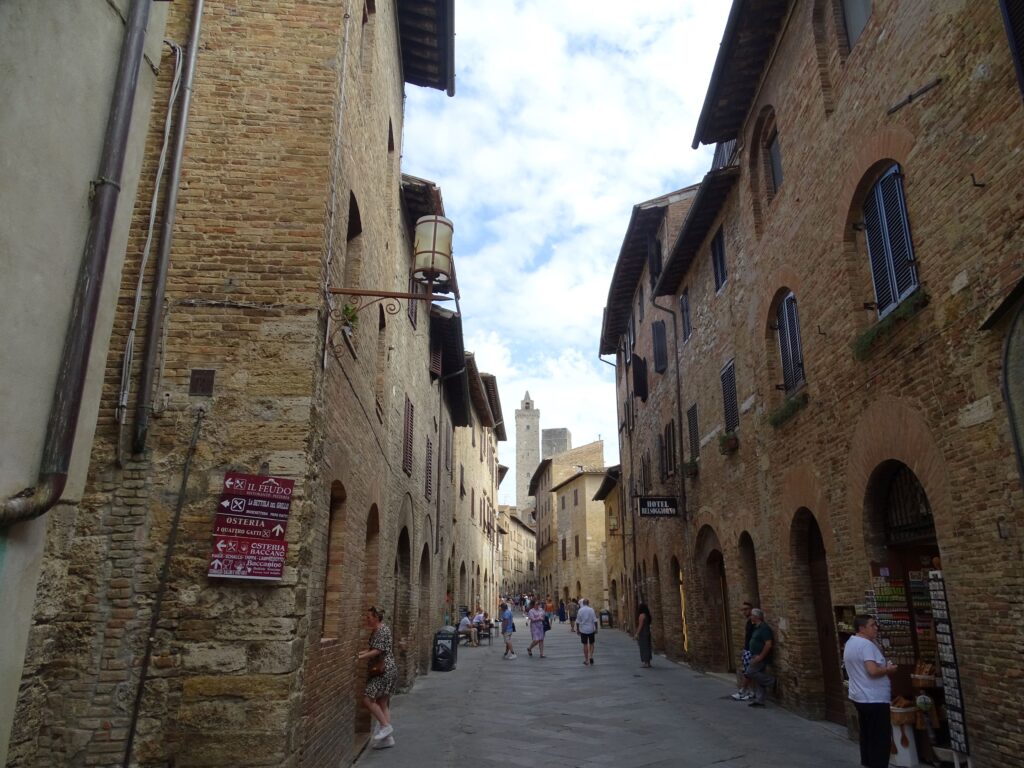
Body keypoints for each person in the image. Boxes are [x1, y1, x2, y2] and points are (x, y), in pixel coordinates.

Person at [843, 614, 899, 768]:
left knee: (867, 734)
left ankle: (868, 763)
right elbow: (872, 671)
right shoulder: (866, 646)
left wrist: (875, 642)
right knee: (880, 738)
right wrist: (888, 669)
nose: (876, 628)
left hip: (860, 696)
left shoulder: (851, 642)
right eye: (872, 625)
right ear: (862, 628)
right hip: (873, 698)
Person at [357, 606, 397, 749]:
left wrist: (360, 658)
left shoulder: (381, 630)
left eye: (368, 617)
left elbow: (377, 651)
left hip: (383, 671)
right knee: (382, 703)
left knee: (368, 698)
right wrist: (360, 654)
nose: (366, 619)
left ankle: (386, 727)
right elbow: (372, 649)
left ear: (376, 617)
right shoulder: (379, 630)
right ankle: (388, 739)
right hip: (389, 669)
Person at [744, 608, 775, 707]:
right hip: (754, 655)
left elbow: (768, 644)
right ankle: (760, 700)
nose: (750, 617)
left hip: (759, 657)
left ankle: (771, 681)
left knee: (750, 672)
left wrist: (760, 657)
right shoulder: (756, 627)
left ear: (757, 617)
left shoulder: (764, 628)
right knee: (758, 678)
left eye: (752, 615)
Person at [731, 602, 755, 700]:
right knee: (749, 671)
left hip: (751, 651)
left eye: (746, 609)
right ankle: (751, 692)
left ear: (751, 610)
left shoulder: (753, 623)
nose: (744, 611)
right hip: (747, 650)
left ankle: (742, 691)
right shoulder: (749, 622)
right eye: (743, 609)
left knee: (748, 672)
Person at [575, 598, 598, 665]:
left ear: (583, 603)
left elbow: (578, 621)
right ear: (588, 603)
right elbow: (595, 620)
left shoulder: (580, 610)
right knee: (592, 643)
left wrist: (578, 630)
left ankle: (586, 660)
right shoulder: (591, 609)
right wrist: (596, 629)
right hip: (591, 629)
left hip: (583, 630)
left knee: (585, 644)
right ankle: (591, 656)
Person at [635, 602, 653, 667]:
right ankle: (648, 662)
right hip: (647, 632)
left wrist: (637, 634)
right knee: (648, 647)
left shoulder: (641, 616)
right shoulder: (647, 615)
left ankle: (645, 663)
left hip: (643, 633)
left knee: (643, 647)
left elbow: (640, 625)